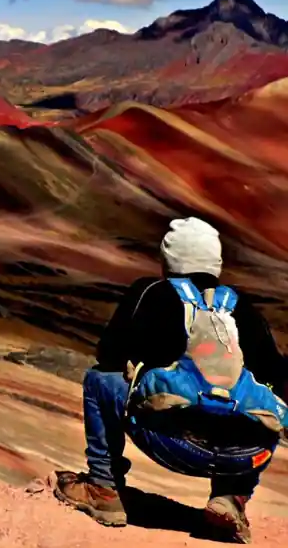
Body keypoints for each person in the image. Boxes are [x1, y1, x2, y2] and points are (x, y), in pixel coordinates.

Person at [56, 218, 288, 543]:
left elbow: (108, 353)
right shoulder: (244, 309)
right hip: (243, 455)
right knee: (263, 407)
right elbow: (277, 377)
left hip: (174, 443)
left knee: (98, 379)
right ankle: (231, 498)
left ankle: (103, 487)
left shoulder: (151, 292)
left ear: (168, 259)